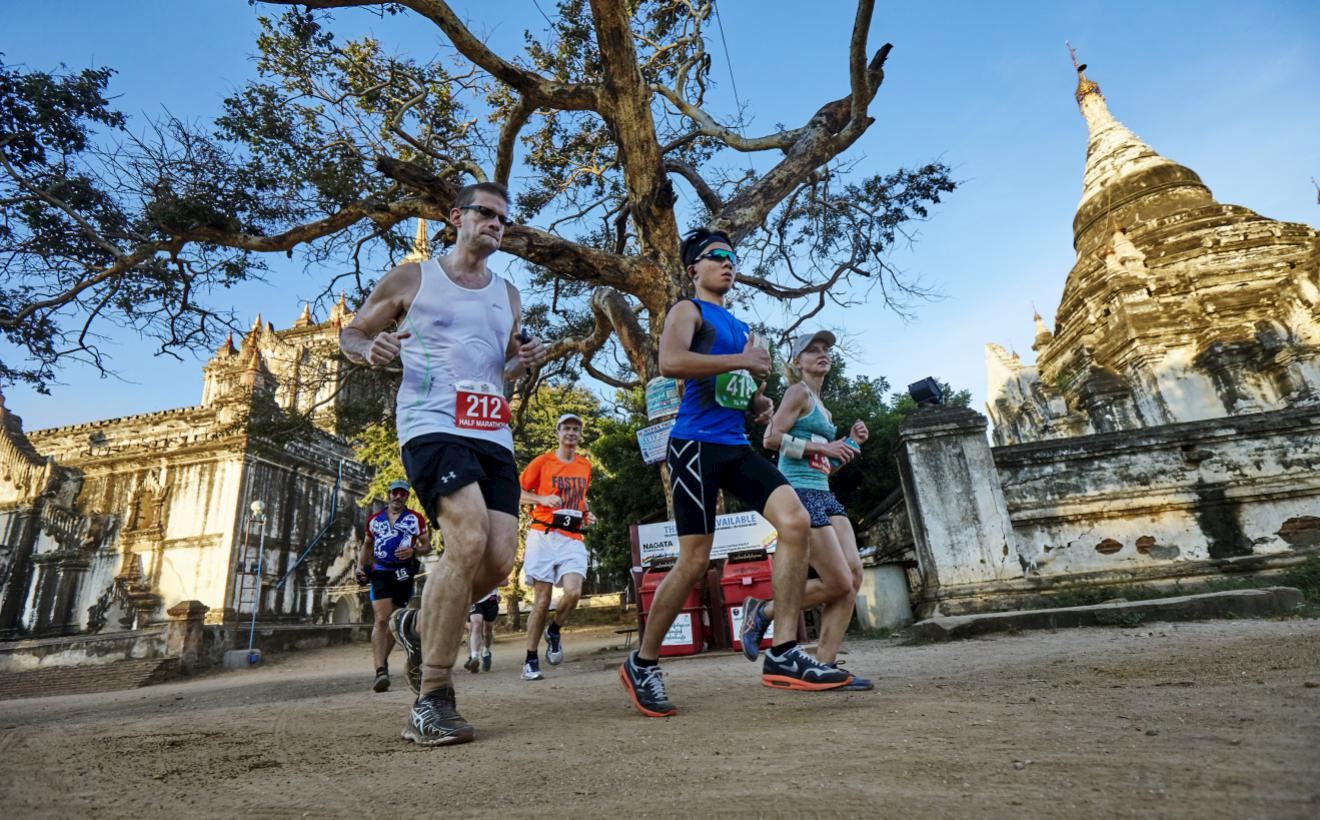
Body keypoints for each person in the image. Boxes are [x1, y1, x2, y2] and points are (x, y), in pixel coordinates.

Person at [340, 181, 545, 746]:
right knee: (470, 536)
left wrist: (520, 361)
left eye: (504, 218)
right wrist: (370, 349)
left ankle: (415, 623)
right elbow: (353, 332)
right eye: (487, 214)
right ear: (457, 217)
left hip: (492, 431)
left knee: (500, 558)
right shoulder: (415, 277)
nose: (497, 224)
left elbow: (499, 368)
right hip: (431, 424)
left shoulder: (507, 294)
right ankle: (432, 698)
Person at [618, 228, 852, 718]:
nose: (728, 264)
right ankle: (642, 663)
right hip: (694, 447)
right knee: (693, 562)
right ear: (693, 270)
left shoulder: (742, 325)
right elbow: (670, 361)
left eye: (732, 258)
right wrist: (743, 359)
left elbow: (734, 386)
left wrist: (759, 400)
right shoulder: (690, 311)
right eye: (716, 257)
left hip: (734, 445)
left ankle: (784, 650)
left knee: (795, 523)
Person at [740, 330, 873, 690]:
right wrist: (826, 449)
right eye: (811, 350)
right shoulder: (797, 392)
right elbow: (770, 438)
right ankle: (763, 611)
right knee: (837, 582)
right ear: (796, 362)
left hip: (824, 493)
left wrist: (851, 444)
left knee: (853, 579)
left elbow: (827, 463)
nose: (821, 354)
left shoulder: (824, 408)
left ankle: (824, 666)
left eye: (825, 349)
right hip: (797, 493)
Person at [518, 412, 594, 681]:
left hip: (572, 536)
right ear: (557, 433)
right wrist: (541, 497)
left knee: (573, 593)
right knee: (541, 601)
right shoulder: (542, 462)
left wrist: (586, 514)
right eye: (566, 429)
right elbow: (516, 493)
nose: (571, 433)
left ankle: (555, 629)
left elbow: (579, 499)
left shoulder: (585, 465)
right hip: (543, 535)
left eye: (576, 429)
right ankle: (530, 658)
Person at [355, 479, 430, 693]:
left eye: (403, 493)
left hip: (404, 572)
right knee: (381, 618)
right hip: (380, 571)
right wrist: (361, 567)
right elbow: (367, 545)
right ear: (388, 495)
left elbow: (427, 545)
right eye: (394, 492)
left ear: (407, 497)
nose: (398, 496)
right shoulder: (374, 520)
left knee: (393, 622)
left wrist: (414, 550)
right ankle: (380, 671)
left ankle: (383, 662)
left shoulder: (416, 519)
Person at [464, 588, 499, 673]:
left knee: (487, 632)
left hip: (490, 599)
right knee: (476, 624)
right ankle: (474, 657)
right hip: (474, 600)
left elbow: (505, 582)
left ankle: (486, 651)